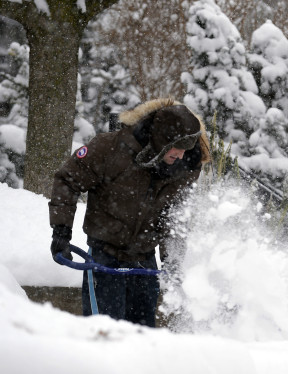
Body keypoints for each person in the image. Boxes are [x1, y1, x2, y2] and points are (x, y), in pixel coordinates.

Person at [48, 98, 211, 327]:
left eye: (187, 149)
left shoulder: (185, 169)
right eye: (177, 148)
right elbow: (67, 181)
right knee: (103, 335)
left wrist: (172, 259)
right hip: (104, 257)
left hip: (145, 262)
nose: (182, 155)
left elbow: (174, 216)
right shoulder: (109, 148)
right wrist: (61, 231)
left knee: (143, 340)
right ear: (161, 140)